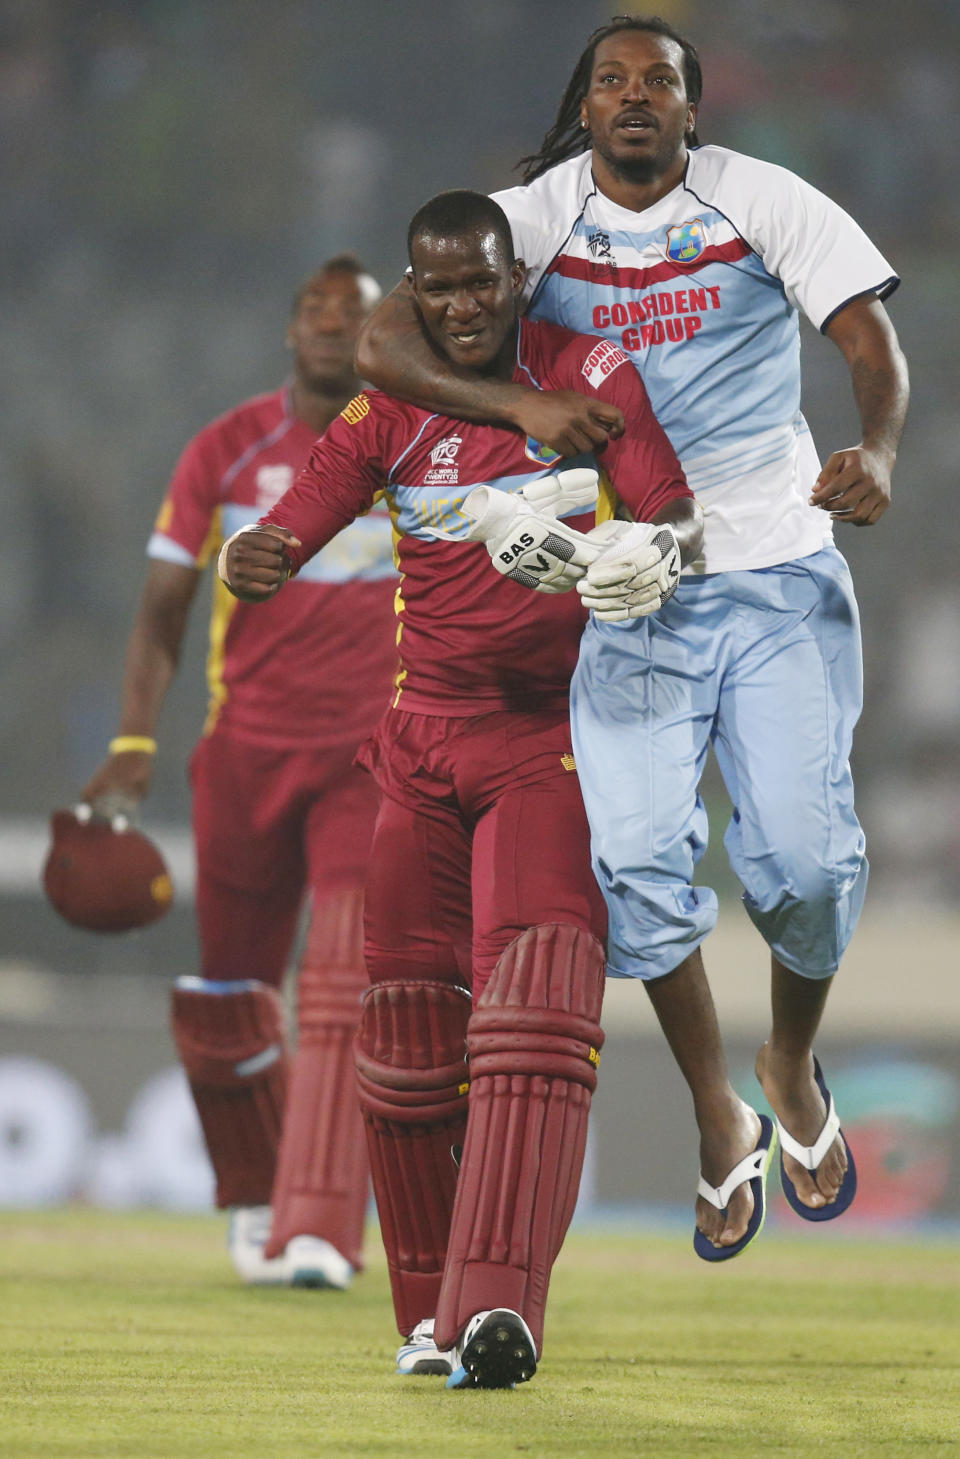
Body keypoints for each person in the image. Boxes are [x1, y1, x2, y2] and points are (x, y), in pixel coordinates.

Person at [355, 16, 910, 1258]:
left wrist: (872, 449)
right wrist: (522, 403)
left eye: (659, 79)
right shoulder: (538, 214)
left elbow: (870, 344)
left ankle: (791, 1059)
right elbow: (384, 339)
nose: (635, 96)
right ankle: (719, 1114)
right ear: (588, 105)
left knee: (806, 870)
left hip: (770, 564)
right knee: (645, 881)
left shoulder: (764, 202)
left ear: (693, 110)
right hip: (629, 584)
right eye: (612, 81)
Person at [219, 189, 702, 1385]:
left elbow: (671, 508)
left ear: (516, 274)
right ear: (414, 293)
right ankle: (430, 1314)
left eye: (484, 282)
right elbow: (285, 533)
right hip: (420, 752)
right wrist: (255, 556)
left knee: (533, 1022)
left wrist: (644, 553)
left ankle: (504, 1309)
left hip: (549, 744)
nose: (466, 305)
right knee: (403, 1043)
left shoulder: (587, 371)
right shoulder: (393, 415)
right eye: (440, 289)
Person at [81, 255, 399, 1288]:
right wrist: (134, 741)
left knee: (345, 978)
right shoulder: (227, 448)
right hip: (247, 751)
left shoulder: (414, 441)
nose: (329, 328)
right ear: (289, 330)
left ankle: (317, 1224)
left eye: (351, 317)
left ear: (376, 335)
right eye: (313, 310)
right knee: (231, 993)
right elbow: (161, 615)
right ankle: (256, 1193)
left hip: (369, 752)